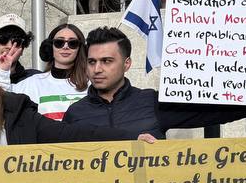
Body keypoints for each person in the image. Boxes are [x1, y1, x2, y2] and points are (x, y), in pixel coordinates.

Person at [62, 28, 231, 139]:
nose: (97, 69)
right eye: (92, 62)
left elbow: (215, 111)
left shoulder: (151, 101)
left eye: (107, 61)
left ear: (127, 64)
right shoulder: (75, 113)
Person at [11, 22, 89, 120]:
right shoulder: (33, 84)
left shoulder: (92, 84)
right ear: (49, 47)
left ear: (79, 49)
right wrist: (4, 69)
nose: (65, 47)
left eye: (72, 43)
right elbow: (0, 97)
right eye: (59, 43)